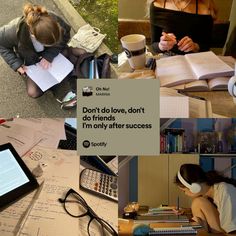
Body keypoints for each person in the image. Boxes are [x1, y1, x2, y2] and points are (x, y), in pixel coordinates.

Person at [0, 3, 71, 98]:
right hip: (32, 62)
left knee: (67, 52)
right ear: (34, 37)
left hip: (50, 54)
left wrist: (49, 55)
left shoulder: (53, 19)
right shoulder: (13, 31)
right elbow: (1, 45)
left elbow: (66, 34)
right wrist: (16, 64)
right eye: (49, 44)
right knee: (33, 92)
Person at [175, 164, 236, 234]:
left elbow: (232, 231)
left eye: (184, 191)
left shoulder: (224, 190)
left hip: (229, 233)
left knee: (198, 203)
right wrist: (186, 210)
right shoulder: (209, 193)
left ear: (194, 187)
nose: (185, 193)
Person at [147, 0, 217, 54]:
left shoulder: (206, 7)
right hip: (168, 61)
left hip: (196, 60)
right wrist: (161, 46)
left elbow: (206, 46)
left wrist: (195, 46)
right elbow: (154, 45)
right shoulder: (157, 4)